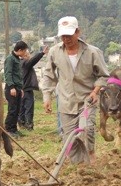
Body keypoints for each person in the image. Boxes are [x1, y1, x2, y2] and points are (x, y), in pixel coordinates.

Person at [42, 16, 109, 164]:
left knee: (87, 130)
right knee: (69, 138)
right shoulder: (54, 52)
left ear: (78, 32)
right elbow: (48, 76)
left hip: (88, 100)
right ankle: (77, 167)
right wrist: (47, 97)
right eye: (63, 36)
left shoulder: (92, 52)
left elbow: (104, 75)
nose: (66, 39)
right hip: (66, 101)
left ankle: (90, 157)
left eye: (69, 35)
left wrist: (95, 90)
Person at [18, 45, 49, 130]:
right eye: (28, 55)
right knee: (29, 108)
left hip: (21, 89)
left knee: (22, 108)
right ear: (26, 55)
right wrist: (42, 53)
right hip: (27, 89)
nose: (30, 56)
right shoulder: (25, 63)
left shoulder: (19, 63)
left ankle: (22, 124)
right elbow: (33, 60)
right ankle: (29, 125)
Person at [4, 40, 29, 138]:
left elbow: (18, 75)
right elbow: (8, 73)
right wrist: (11, 87)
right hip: (12, 89)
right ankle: (8, 129)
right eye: (24, 51)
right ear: (19, 50)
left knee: (17, 109)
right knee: (12, 110)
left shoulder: (17, 59)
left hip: (18, 88)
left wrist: (20, 88)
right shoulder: (10, 59)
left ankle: (14, 129)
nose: (25, 53)